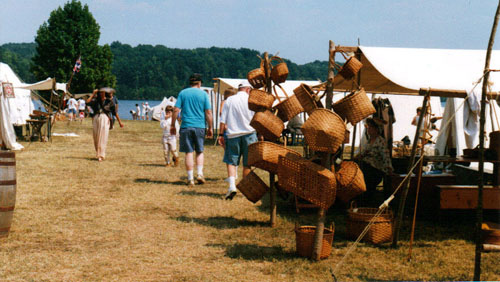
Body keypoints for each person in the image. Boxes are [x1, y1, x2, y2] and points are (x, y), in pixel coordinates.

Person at [171, 73, 213, 187]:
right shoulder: (204, 94)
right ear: (199, 83)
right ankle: (199, 174)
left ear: (190, 83)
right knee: (199, 151)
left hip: (186, 126)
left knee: (188, 152)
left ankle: (190, 179)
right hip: (200, 126)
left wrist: (172, 125)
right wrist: (210, 127)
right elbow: (208, 112)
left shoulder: (183, 93)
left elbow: (175, 110)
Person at [218, 82, 257, 200]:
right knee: (248, 164)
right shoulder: (251, 100)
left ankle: (232, 186)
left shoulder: (229, 100)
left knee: (231, 161)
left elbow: (223, 119)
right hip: (249, 134)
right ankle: (246, 190)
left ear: (239, 89)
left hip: (233, 135)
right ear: (248, 89)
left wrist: (220, 134)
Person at [355, 118, 393, 206]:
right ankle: (359, 200)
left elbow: (386, 157)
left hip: (376, 170)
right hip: (367, 167)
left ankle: (366, 203)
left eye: (370, 128)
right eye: (368, 128)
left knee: (367, 177)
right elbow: (363, 153)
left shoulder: (381, 141)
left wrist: (389, 170)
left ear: (376, 130)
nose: (368, 130)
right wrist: (357, 157)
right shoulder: (369, 142)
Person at [86, 88, 124, 162]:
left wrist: (120, 122)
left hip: (104, 118)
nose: (102, 94)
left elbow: (115, 113)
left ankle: (101, 155)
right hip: (96, 117)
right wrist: (93, 94)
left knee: (102, 137)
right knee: (96, 136)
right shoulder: (96, 101)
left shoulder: (109, 102)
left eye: (103, 93)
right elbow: (87, 102)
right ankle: (98, 153)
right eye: (100, 93)